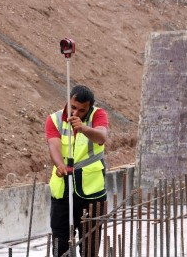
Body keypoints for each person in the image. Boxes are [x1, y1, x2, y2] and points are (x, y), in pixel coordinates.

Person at [45, 85, 109, 256]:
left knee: (90, 245)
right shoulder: (54, 119)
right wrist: (59, 164)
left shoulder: (98, 115)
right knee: (61, 244)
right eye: (73, 107)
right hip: (63, 190)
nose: (76, 113)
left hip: (92, 192)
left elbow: (101, 137)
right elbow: (54, 145)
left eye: (82, 110)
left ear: (89, 108)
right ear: (68, 101)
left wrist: (83, 128)